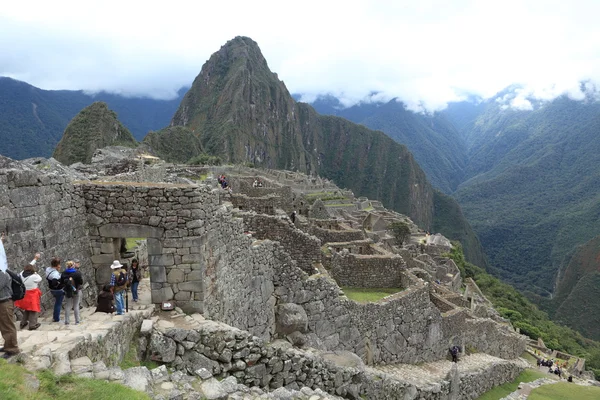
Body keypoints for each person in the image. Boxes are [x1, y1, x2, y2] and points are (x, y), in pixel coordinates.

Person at [0, 233, 20, 358]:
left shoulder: (3, 273)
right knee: (3, 325)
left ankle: (12, 349)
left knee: (8, 325)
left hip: (4, 302)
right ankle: (8, 345)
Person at [14, 262, 42, 330]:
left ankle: (23, 323)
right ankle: (33, 325)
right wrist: (35, 273)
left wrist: (34, 260)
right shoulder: (34, 276)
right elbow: (40, 279)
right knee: (33, 310)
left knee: (27, 309)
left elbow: (22, 271)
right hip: (32, 295)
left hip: (25, 294)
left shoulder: (21, 274)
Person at [61, 261, 83, 325]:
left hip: (67, 291)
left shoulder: (64, 273)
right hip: (76, 290)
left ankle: (67, 321)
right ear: (73, 266)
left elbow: (62, 282)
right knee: (76, 305)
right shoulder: (77, 273)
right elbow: (81, 282)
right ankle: (77, 321)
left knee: (68, 305)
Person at [45, 257, 64, 322]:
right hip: (58, 290)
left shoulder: (48, 269)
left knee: (56, 302)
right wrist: (59, 284)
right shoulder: (55, 274)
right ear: (57, 265)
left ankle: (55, 317)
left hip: (51, 289)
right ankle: (56, 318)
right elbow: (54, 282)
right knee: (58, 303)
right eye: (59, 264)